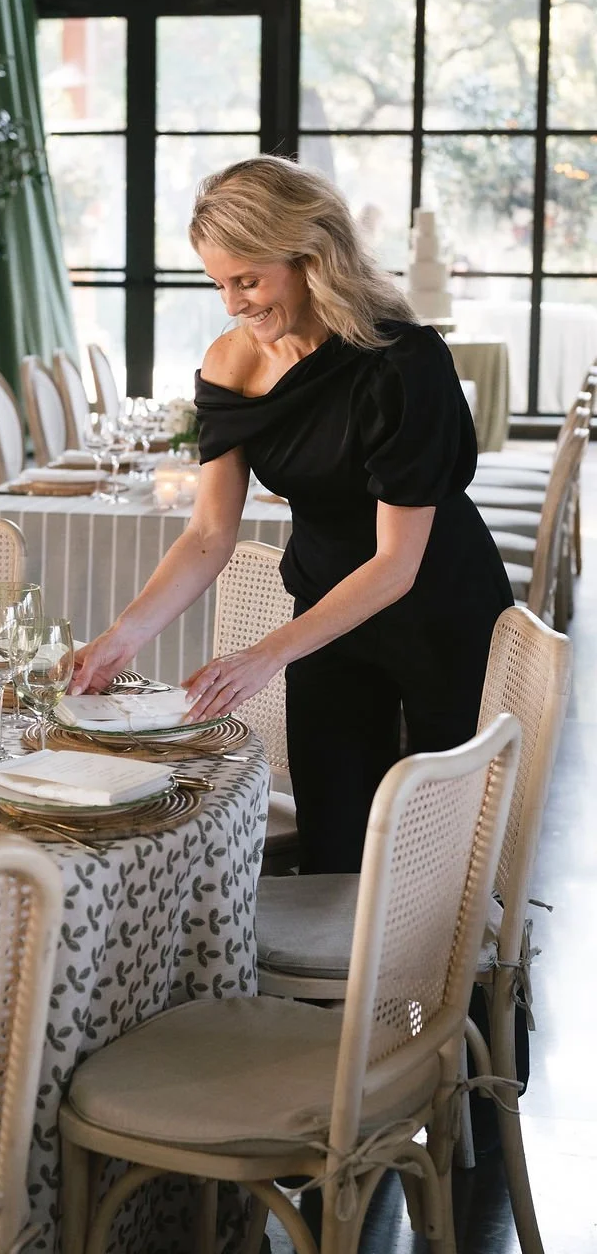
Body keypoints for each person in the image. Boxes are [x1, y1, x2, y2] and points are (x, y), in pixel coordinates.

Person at [71, 156, 513, 873]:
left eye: (247, 280)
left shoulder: (404, 362)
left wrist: (267, 650)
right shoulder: (232, 362)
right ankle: (340, 990)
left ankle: (439, 988)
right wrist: (122, 639)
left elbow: (398, 563)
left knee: (437, 854)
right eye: (219, 283)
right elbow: (210, 533)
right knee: (336, 838)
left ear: (312, 258)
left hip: (438, 610)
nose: (232, 303)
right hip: (326, 621)